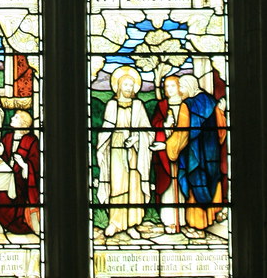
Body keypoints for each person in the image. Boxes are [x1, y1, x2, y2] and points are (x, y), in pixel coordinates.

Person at [163, 74, 227, 237]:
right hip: (211, 154)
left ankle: (198, 225)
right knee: (211, 181)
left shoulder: (188, 105)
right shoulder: (211, 102)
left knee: (196, 184)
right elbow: (221, 130)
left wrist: (170, 145)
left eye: (182, 87)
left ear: (190, 86)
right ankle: (211, 218)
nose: (180, 91)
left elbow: (183, 134)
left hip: (195, 155)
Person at [96, 65, 153, 238]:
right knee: (117, 185)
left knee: (134, 185)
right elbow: (106, 128)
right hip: (116, 148)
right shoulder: (112, 105)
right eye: (125, 85)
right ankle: (115, 222)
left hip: (134, 149)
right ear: (118, 86)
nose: (128, 88)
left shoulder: (139, 105)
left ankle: (132, 223)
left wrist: (136, 139)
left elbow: (147, 130)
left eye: (131, 85)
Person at [0, 110, 40, 234]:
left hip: (21, 183)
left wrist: (24, 165)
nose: (12, 118)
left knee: (3, 196)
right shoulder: (8, 137)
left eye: (16, 117)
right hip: (4, 178)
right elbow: (2, 160)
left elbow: (35, 166)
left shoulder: (31, 140)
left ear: (23, 124)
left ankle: (9, 223)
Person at [150, 74, 186, 233]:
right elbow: (154, 126)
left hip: (185, 153)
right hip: (165, 154)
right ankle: (169, 220)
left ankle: (183, 220)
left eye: (172, 86)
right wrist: (164, 126)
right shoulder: (162, 106)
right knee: (169, 185)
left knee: (183, 185)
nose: (169, 89)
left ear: (179, 87)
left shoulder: (187, 105)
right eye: (166, 87)